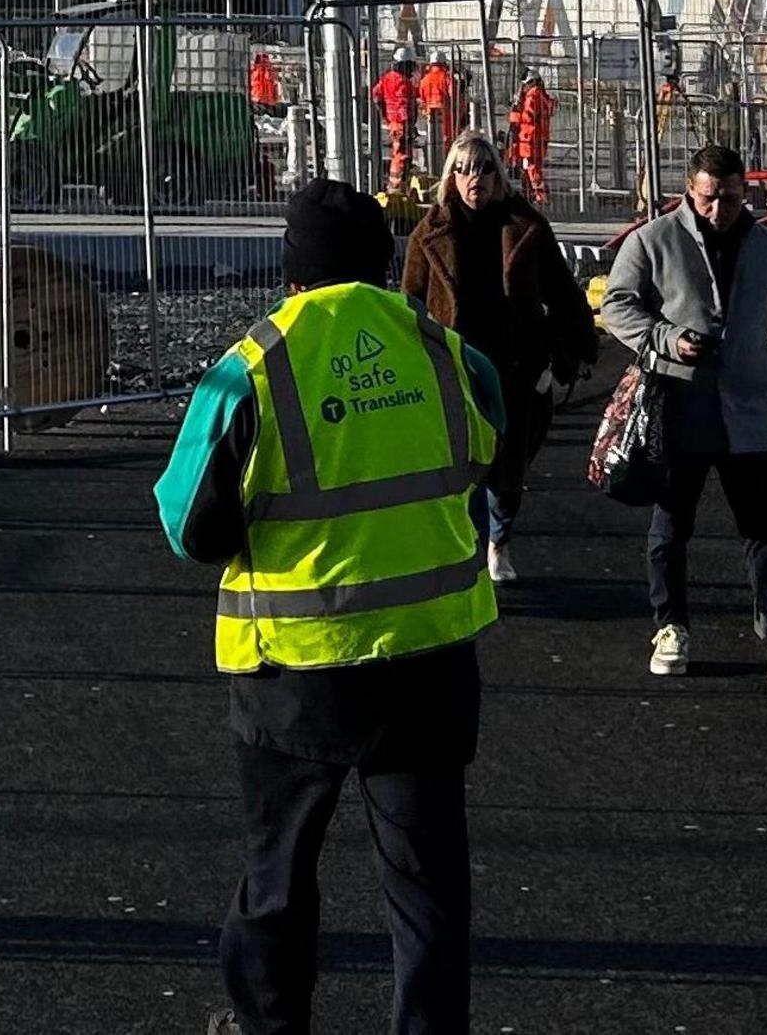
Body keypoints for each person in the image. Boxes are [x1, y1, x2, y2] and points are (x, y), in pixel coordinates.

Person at [161, 174, 504, 1035]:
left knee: (277, 875)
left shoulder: (253, 365)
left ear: (292, 271)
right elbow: (487, 451)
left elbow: (189, 524)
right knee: (426, 886)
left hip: (296, 668)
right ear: (383, 262)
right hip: (428, 658)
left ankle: (270, 1024)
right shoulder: (444, 350)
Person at [598, 144, 767, 695]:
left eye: (730, 198)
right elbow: (616, 306)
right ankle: (670, 627)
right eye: (709, 199)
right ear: (689, 191)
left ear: (745, 193)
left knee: (762, 528)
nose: (720, 210)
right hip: (680, 411)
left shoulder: (765, 248)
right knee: (672, 524)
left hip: (749, 413)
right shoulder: (652, 241)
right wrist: (667, 339)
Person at [403, 133, 596, 582]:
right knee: (461, 460)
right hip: (455, 363)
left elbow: (564, 292)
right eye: (465, 169)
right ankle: (468, 545)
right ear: (450, 176)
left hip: (515, 363)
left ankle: (498, 543)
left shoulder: (525, 226)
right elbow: (409, 302)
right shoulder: (429, 233)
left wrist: (573, 350)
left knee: (509, 464)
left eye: (486, 169)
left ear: (499, 175)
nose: (476, 179)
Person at [504, 72, 555, 208]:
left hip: (530, 139)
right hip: (535, 138)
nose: (524, 86)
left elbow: (527, 117)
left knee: (532, 168)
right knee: (528, 168)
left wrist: (515, 111)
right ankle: (530, 195)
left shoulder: (533, 96)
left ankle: (540, 196)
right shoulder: (541, 95)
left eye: (526, 83)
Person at [373, 55, 420, 185]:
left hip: (393, 123)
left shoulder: (386, 78)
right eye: (409, 66)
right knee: (403, 154)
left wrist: (385, 114)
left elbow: (376, 95)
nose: (411, 70)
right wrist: (408, 124)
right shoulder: (403, 82)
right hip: (402, 123)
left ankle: (396, 181)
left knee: (397, 153)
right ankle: (400, 183)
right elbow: (402, 104)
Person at [415, 58, 463, 154]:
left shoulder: (424, 79)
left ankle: (432, 160)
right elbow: (455, 96)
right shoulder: (447, 78)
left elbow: (422, 98)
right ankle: (444, 162)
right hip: (445, 113)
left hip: (430, 113)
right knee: (446, 139)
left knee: (432, 139)